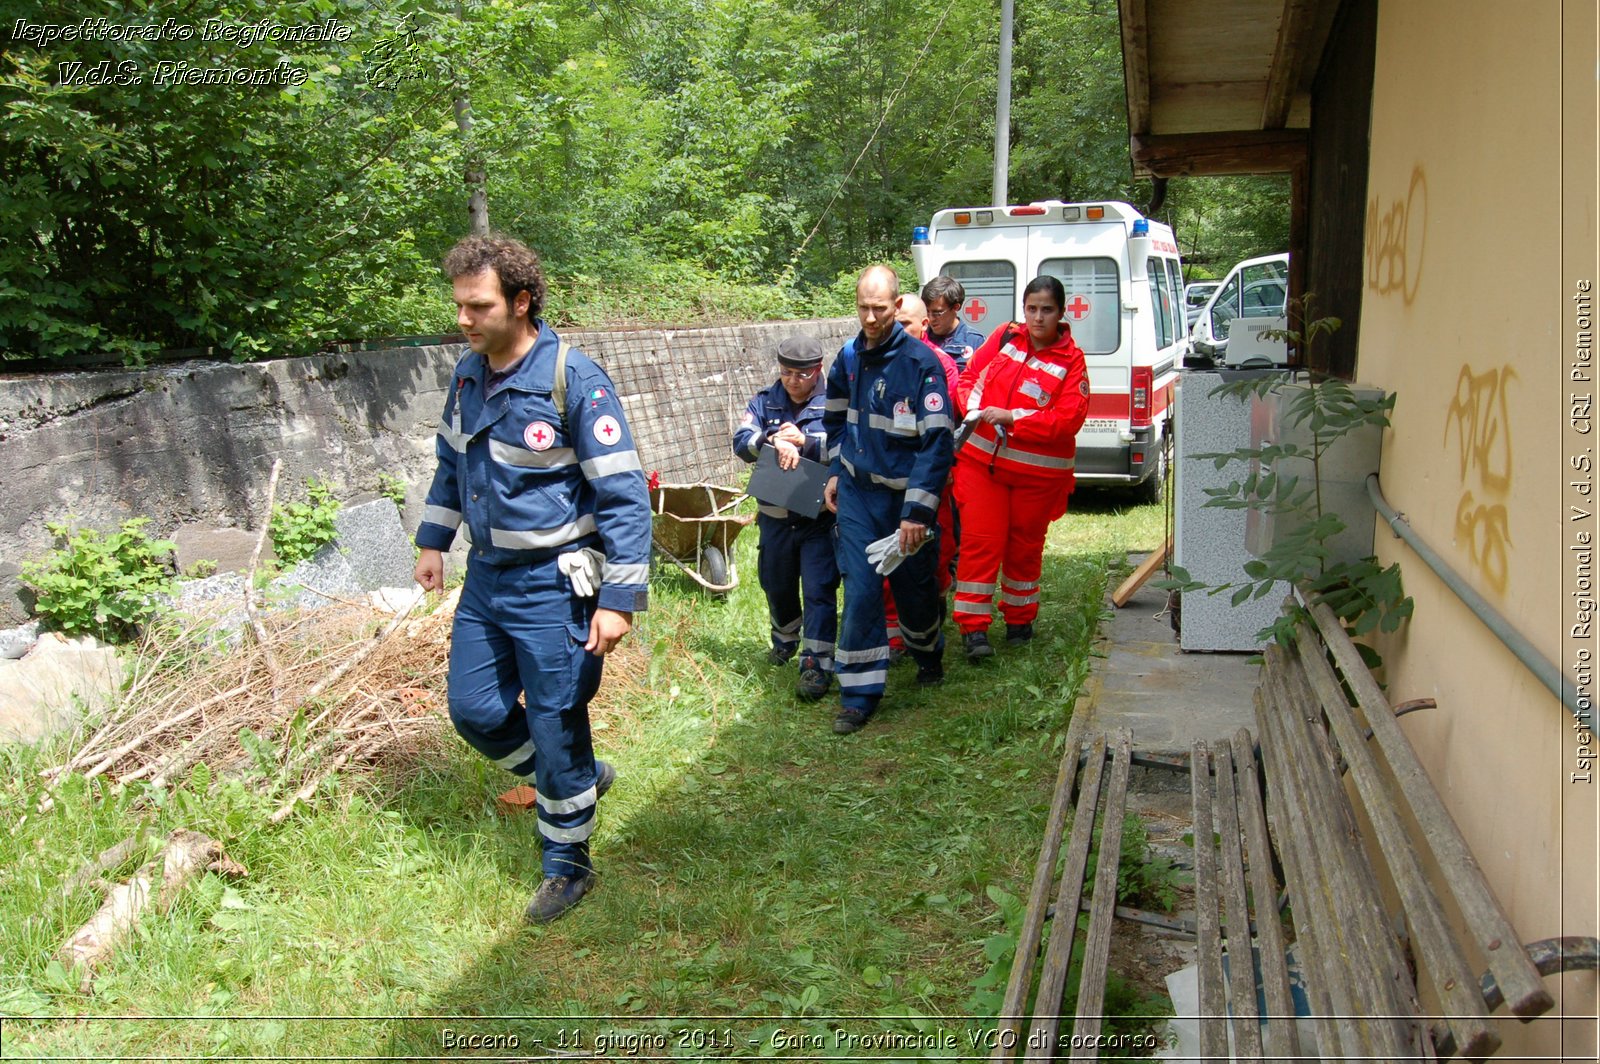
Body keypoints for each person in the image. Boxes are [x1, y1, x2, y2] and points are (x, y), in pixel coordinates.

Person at [414, 234, 651, 923]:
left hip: (555, 585)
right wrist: (434, 540)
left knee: (556, 721)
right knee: (476, 710)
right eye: (459, 305)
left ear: (521, 302)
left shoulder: (573, 380)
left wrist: (619, 599)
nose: (463, 319)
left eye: (477, 306)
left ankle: (567, 865)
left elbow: (624, 495)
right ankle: (575, 780)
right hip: (487, 582)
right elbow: (448, 464)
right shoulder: (467, 375)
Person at [822, 265, 954, 734]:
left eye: (880, 308)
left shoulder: (922, 364)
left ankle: (927, 653)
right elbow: (834, 421)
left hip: (905, 506)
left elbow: (937, 444)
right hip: (859, 496)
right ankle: (858, 695)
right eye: (863, 307)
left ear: (898, 306)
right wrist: (837, 470)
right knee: (859, 591)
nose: (871, 317)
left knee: (915, 594)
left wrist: (918, 512)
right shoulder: (847, 358)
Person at [951, 274, 1089, 661]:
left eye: (1047, 310)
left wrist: (1013, 418)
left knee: (1024, 548)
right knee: (980, 542)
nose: (1038, 317)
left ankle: (1019, 621)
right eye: (1031, 309)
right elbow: (969, 378)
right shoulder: (1005, 337)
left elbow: (1066, 421)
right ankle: (973, 630)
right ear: (1023, 309)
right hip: (982, 466)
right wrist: (973, 410)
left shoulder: (1072, 362)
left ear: (1061, 313)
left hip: (1037, 478)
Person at [732, 334, 839, 700]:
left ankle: (817, 663)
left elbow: (848, 442)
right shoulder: (765, 401)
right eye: (786, 372)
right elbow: (740, 439)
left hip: (817, 519)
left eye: (802, 373)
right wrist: (771, 440)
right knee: (775, 585)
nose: (793, 380)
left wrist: (806, 442)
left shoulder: (836, 401)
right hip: (775, 517)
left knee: (818, 589)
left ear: (818, 370)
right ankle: (785, 638)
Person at [882, 293, 962, 664]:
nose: (896, 331)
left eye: (905, 325)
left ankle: (928, 630)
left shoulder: (939, 365)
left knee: (932, 557)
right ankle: (894, 638)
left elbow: (943, 428)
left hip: (928, 484)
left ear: (924, 326)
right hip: (884, 483)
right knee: (885, 561)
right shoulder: (873, 360)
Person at [923, 275, 989, 372]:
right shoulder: (919, 338)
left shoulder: (976, 342)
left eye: (937, 313)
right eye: (927, 311)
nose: (931, 318)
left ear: (955, 307)